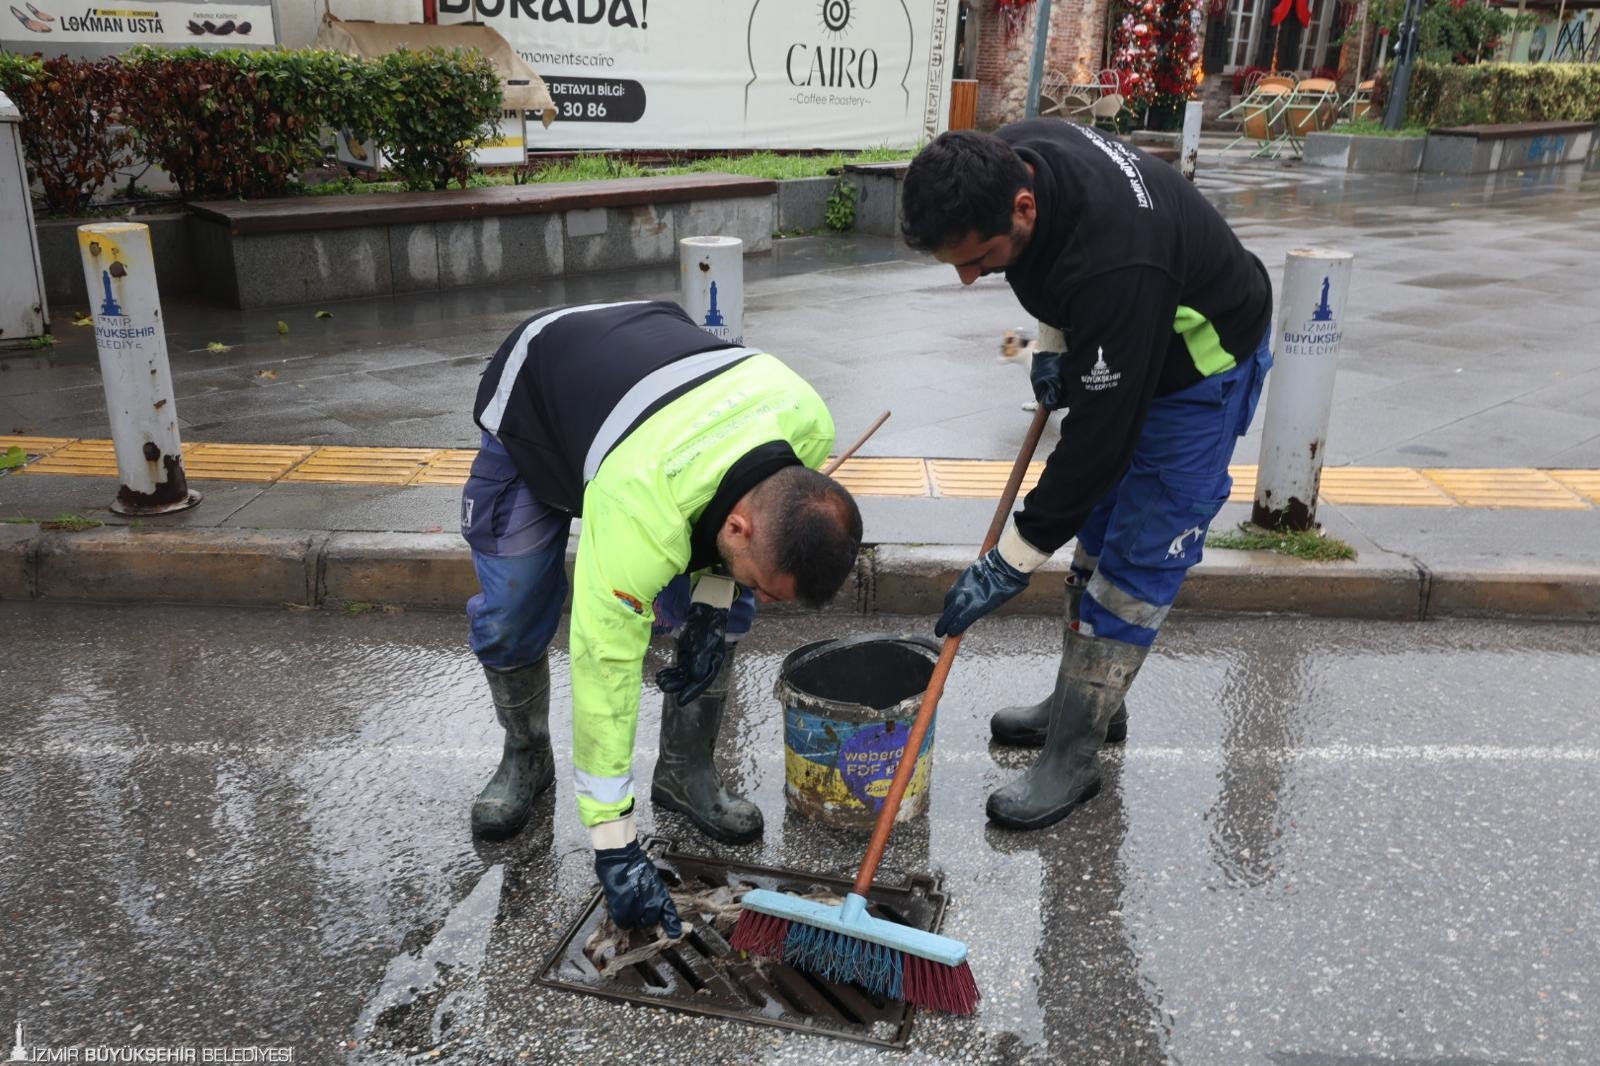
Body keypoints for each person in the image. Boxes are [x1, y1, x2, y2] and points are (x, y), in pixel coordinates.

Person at [900, 123, 1274, 831]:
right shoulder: (1017, 153)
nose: (968, 278)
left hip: (1197, 366)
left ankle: (1073, 757)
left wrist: (1010, 561)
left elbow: (1101, 442)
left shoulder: (1116, 262)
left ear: (1022, 207)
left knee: (1133, 566)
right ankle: (1092, 702)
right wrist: (1055, 339)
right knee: (1095, 536)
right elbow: (1058, 282)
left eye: (979, 259)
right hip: (1130, 331)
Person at [461, 299, 862, 935]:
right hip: (541, 395)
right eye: (764, 582)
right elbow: (604, 668)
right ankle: (526, 756)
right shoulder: (639, 509)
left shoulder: (808, 423)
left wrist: (711, 608)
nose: (764, 599)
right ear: (737, 524)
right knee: (512, 608)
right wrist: (614, 843)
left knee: (725, 603)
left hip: (651, 403)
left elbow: (733, 532)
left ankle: (684, 771)